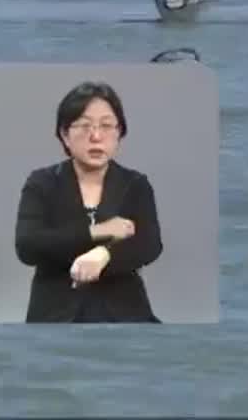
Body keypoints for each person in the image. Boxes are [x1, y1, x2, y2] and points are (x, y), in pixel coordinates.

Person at [13, 80, 163, 323]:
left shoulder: (135, 184)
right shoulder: (42, 182)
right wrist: (96, 232)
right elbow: (28, 246)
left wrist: (104, 255)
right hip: (55, 315)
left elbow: (149, 244)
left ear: (119, 134)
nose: (96, 136)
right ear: (64, 134)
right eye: (84, 126)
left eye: (106, 126)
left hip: (125, 315)